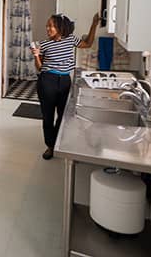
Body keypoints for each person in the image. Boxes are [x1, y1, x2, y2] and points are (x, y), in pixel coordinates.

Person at [31, 12, 100, 160]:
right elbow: (39, 67)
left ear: (60, 27)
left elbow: (88, 43)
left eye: (51, 26)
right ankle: (50, 146)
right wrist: (36, 55)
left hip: (65, 81)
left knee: (64, 115)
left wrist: (94, 24)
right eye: (47, 26)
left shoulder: (71, 40)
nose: (47, 28)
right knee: (48, 116)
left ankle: (58, 141)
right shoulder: (43, 44)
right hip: (47, 81)